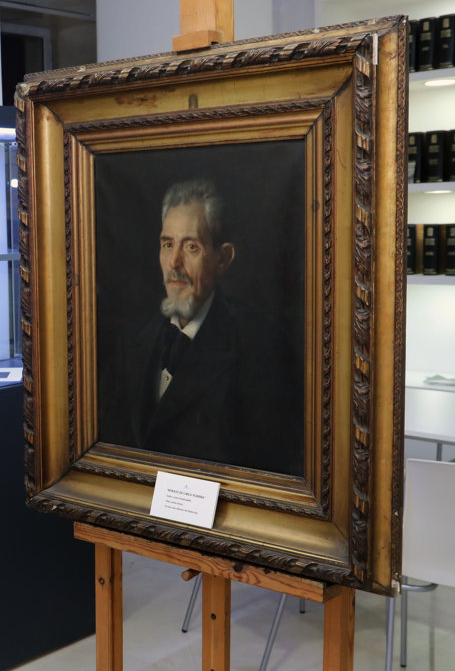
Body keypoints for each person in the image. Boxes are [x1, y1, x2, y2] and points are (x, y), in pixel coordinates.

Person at [99, 179, 303, 476]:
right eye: (167, 244)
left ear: (222, 259)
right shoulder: (132, 342)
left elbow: (272, 469)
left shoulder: (260, 346)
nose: (174, 263)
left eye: (191, 246)